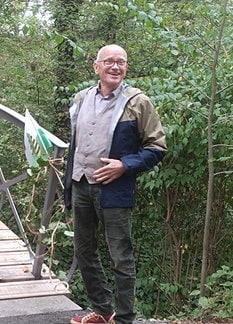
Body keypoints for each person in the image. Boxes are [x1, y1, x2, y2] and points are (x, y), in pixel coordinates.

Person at [63, 44, 167, 324]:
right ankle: (103, 310)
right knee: (84, 251)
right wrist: (68, 184)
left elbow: (157, 147)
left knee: (121, 256)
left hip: (115, 190)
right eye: (109, 61)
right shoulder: (81, 98)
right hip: (81, 184)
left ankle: (124, 319)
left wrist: (125, 165)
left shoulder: (138, 102)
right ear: (96, 67)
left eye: (121, 62)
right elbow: (74, 144)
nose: (115, 67)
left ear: (126, 68)